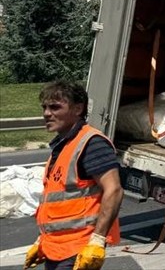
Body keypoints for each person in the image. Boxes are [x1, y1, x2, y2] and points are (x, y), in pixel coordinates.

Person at [25, 80, 123, 270]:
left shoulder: (91, 143)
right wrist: (42, 241)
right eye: (44, 107)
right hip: (57, 248)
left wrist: (97, 240)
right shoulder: (63, 145)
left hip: (78, 248)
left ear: (78, 109)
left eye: (55, 107)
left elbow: (114, 190)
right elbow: (59, 200)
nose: (46, 113)